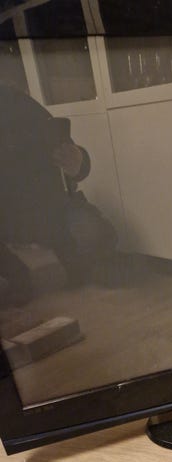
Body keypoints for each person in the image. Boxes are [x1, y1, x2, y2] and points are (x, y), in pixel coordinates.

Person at [0, 83, 117, 305]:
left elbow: (71, 155)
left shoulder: (17, 103)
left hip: (49, 208)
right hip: (7, 218)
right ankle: (17, 275)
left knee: (97, 234)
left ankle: (77, 263)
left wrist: (78, 162)